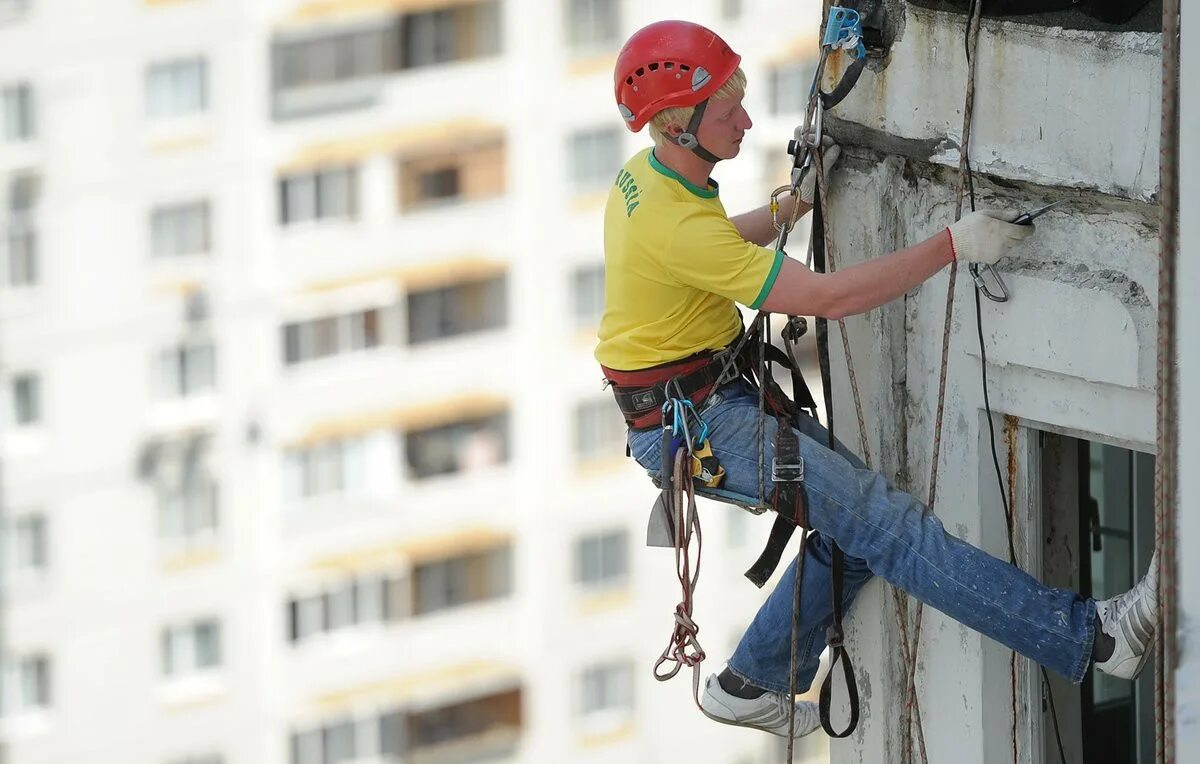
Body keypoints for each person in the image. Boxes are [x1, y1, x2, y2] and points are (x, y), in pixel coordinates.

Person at [595, 19, 1159, 739]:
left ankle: (753, 679)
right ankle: (1099, 640)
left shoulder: (649, 180)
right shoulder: (675, 222)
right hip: (704, 424)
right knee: (892, 529)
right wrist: (954, 244)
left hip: (703, 401)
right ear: (679, 127)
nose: (745, 118)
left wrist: (785, 209)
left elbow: (710, 246)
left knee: (860, 530)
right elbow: (828, 297)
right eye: (726, 110)